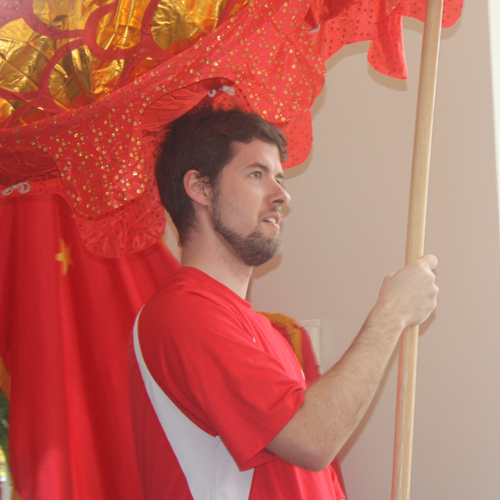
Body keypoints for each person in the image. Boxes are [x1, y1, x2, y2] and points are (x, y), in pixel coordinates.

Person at [127, 107, 438, 500]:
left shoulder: (256, 326)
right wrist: (391, 315)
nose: (282, 195)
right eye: (256, 174)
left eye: (279, 177)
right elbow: (311, 440)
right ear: (201, 188)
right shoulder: (186, 313)